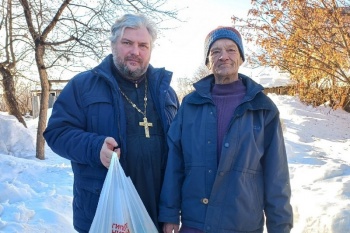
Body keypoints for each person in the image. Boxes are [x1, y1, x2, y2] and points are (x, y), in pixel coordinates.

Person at [44, 13, 179, 233]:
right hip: (105, 212)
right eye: (127, 43)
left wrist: (172, 211)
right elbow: (57, 133)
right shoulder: (83, 85)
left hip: (156, 213)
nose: (135, 51)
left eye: (143, 45)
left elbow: (178, 154)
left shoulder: (167, 94)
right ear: (113, 44)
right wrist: (95, 147)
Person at [158, 26, 293, 233]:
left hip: (242, 224)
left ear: (241, 57)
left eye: (231, 50)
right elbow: (174, 162)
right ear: (207, 61)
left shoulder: (262, 107)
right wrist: (169, 213)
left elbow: (277, 175)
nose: (224, 56)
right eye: (215, 51)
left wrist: (280, 227)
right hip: (196, 223)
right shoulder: (190, 104)